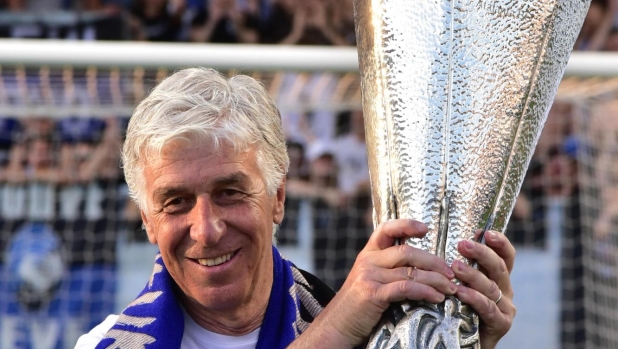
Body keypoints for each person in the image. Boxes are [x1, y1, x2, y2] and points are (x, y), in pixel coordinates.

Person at [75, 67, 516, 349]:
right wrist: (334, 332)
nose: (206, 230)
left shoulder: (381, 335)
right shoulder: (104, 344)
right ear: (148, 221)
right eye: (176, 203)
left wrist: (461, 335)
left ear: (278, 198)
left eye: (230, 192)